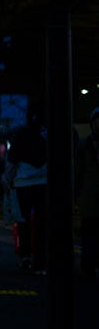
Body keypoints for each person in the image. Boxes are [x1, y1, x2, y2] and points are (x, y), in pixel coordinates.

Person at [7, 101, 48, 274]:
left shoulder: (21, 134)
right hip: (44, 183)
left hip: (23, 183)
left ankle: (25, 256)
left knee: (23, 221)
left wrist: (8, 182)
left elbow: (11, 162)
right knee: (42, 223)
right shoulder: (47, 133)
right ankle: (40, 259)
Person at [75, 107, 99, 278]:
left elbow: (77, 172)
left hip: (88, 195)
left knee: (89, 232)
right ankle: (89, 264)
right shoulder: (84, 146)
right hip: (89, 196)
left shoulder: (85, 145)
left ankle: (89, 264)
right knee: (89, 232)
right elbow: (78, 171)